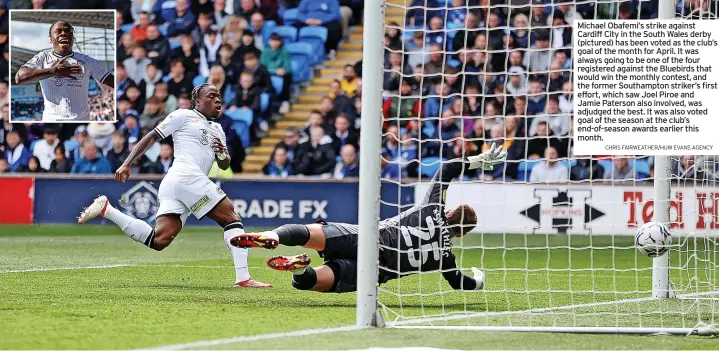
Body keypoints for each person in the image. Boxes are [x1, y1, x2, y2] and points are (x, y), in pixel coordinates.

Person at [229, 144, 508, 293]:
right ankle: (299, 270)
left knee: (309, 232)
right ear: (462, 234)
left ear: (449, 211)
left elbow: (447, 168)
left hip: (368, 237)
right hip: (374, 273)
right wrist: (479, 279)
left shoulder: (433, 207)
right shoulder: (445, 256)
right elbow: (459, 283)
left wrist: (478, 160)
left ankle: (273, 237)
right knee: (308, 283)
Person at [78, 83, 270, 288]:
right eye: (212, 96)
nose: (218, 100)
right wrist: (127, 163)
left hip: (178, 183)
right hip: (186, 175)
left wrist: (223, 153)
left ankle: (107, 210)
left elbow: (224, 163)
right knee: (231, 217)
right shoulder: (183, 115)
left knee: (159, 240)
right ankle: (243, 278)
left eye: (219, 97)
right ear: (197, 101)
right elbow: (152, 136)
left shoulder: (218, 129)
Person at [15, 21, 115, 122]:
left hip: (81, 121)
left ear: (73, 38)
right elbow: (20, 77)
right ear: (51, 39)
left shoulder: (87, 61)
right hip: (52, 120)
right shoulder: (43, 58)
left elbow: (113, 81)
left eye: (68, 31)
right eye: (58, 32)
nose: (63, 33)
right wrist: (53, 71)